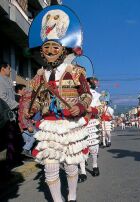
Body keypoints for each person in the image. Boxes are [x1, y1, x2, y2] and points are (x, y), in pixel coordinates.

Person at [26, 6, 91, 202]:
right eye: (47, 48)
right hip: (49, 126)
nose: (51, 51)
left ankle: (71, 195)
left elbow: (86, 94)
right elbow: (34, 100)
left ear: (63, 49)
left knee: (71, 165)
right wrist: (30, 110)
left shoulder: (76, 71)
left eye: (55, 47)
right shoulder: (38, 76)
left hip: (70, 124)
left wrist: (79, 107)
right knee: (51, 167)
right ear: (42, 52)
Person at [78, 76, 102, 183]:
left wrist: (91, 109)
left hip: (92, 122)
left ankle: (95, 166)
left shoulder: (96, 95)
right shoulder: (76, 93)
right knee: (81, 147)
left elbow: (100, 109)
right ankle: (83, 172)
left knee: (93, 146)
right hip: (79, 122)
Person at [0, 62, 22, 174]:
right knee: (7, 140)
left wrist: (21, 97)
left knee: (12, 139)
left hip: (11, 114)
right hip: (5, 115)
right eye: (9, 68)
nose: (10, 70)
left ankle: (10, 163)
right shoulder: (0, 80)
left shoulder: (7, 80)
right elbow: (2, 97)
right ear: (3, 68)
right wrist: (16, 104)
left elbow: (11, 94)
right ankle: (6, 167)